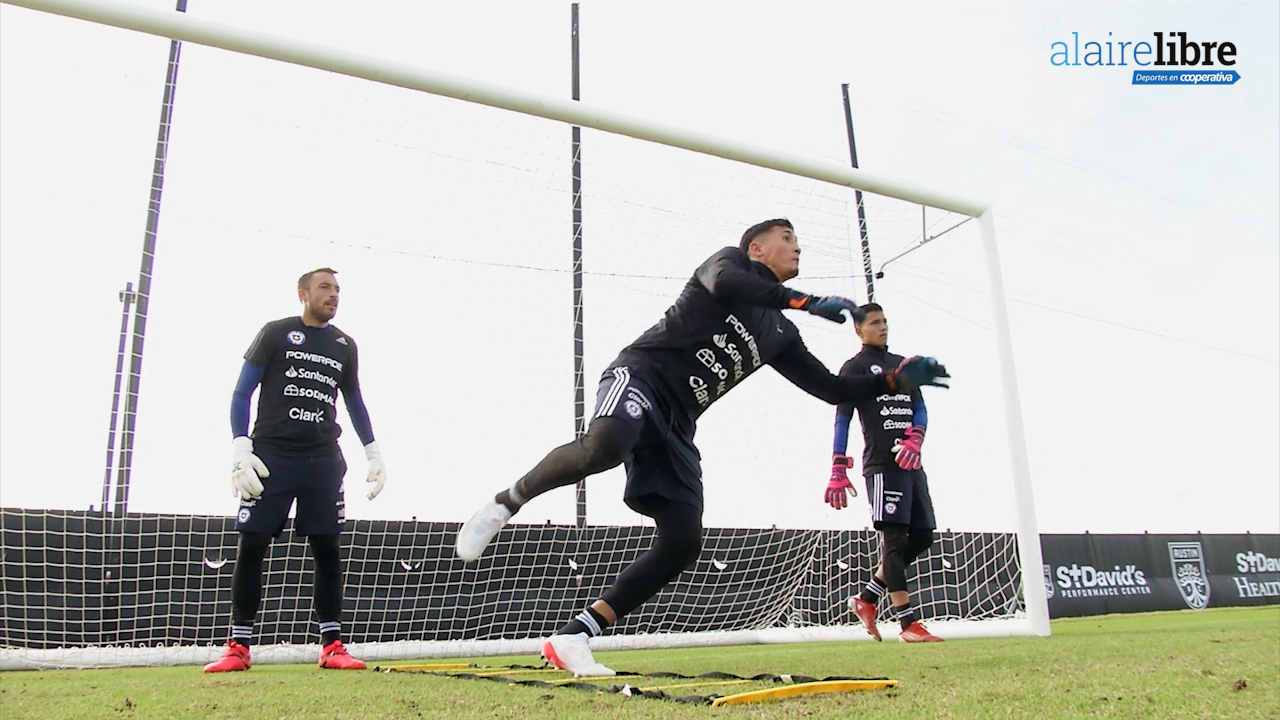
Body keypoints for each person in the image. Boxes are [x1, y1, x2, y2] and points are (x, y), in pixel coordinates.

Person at [454, 219, 950, 676]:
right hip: (642, 377)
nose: (797, 244)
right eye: (786, 236)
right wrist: (802, 299)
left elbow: (832, 389)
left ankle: (575, 636)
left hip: (678, 423)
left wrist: (895, 380)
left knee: (683, 540)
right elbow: (727, 285)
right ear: (756, 247)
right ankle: (505, 503)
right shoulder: (727, 264)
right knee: (603, 447)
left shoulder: (780, 332)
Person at [203, 267, 389, 673]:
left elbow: (354, 400)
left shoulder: (345, 345)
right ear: (303, 293)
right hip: (271, 459)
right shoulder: (275, 332)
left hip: (323, 462)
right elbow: (241, 391)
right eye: (325, 287)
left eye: (338, 289)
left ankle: (332, 645)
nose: (334, 295)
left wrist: (372, 451)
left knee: (327, 549)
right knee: (251, 545)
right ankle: (238, 646)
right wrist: (240, 446)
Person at [825, 302, 944, 643]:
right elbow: (843, 418)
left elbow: (919, 407)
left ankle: (867, 598)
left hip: (910, 464)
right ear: (859, 330)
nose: (883, 327)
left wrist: (917, 437)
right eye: (875, 323)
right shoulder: (855, 367)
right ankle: (908, 625)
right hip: (881, 466)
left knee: (923, 536)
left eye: (885, 321)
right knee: (893, 541)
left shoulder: (902, 365)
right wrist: (837, 464)